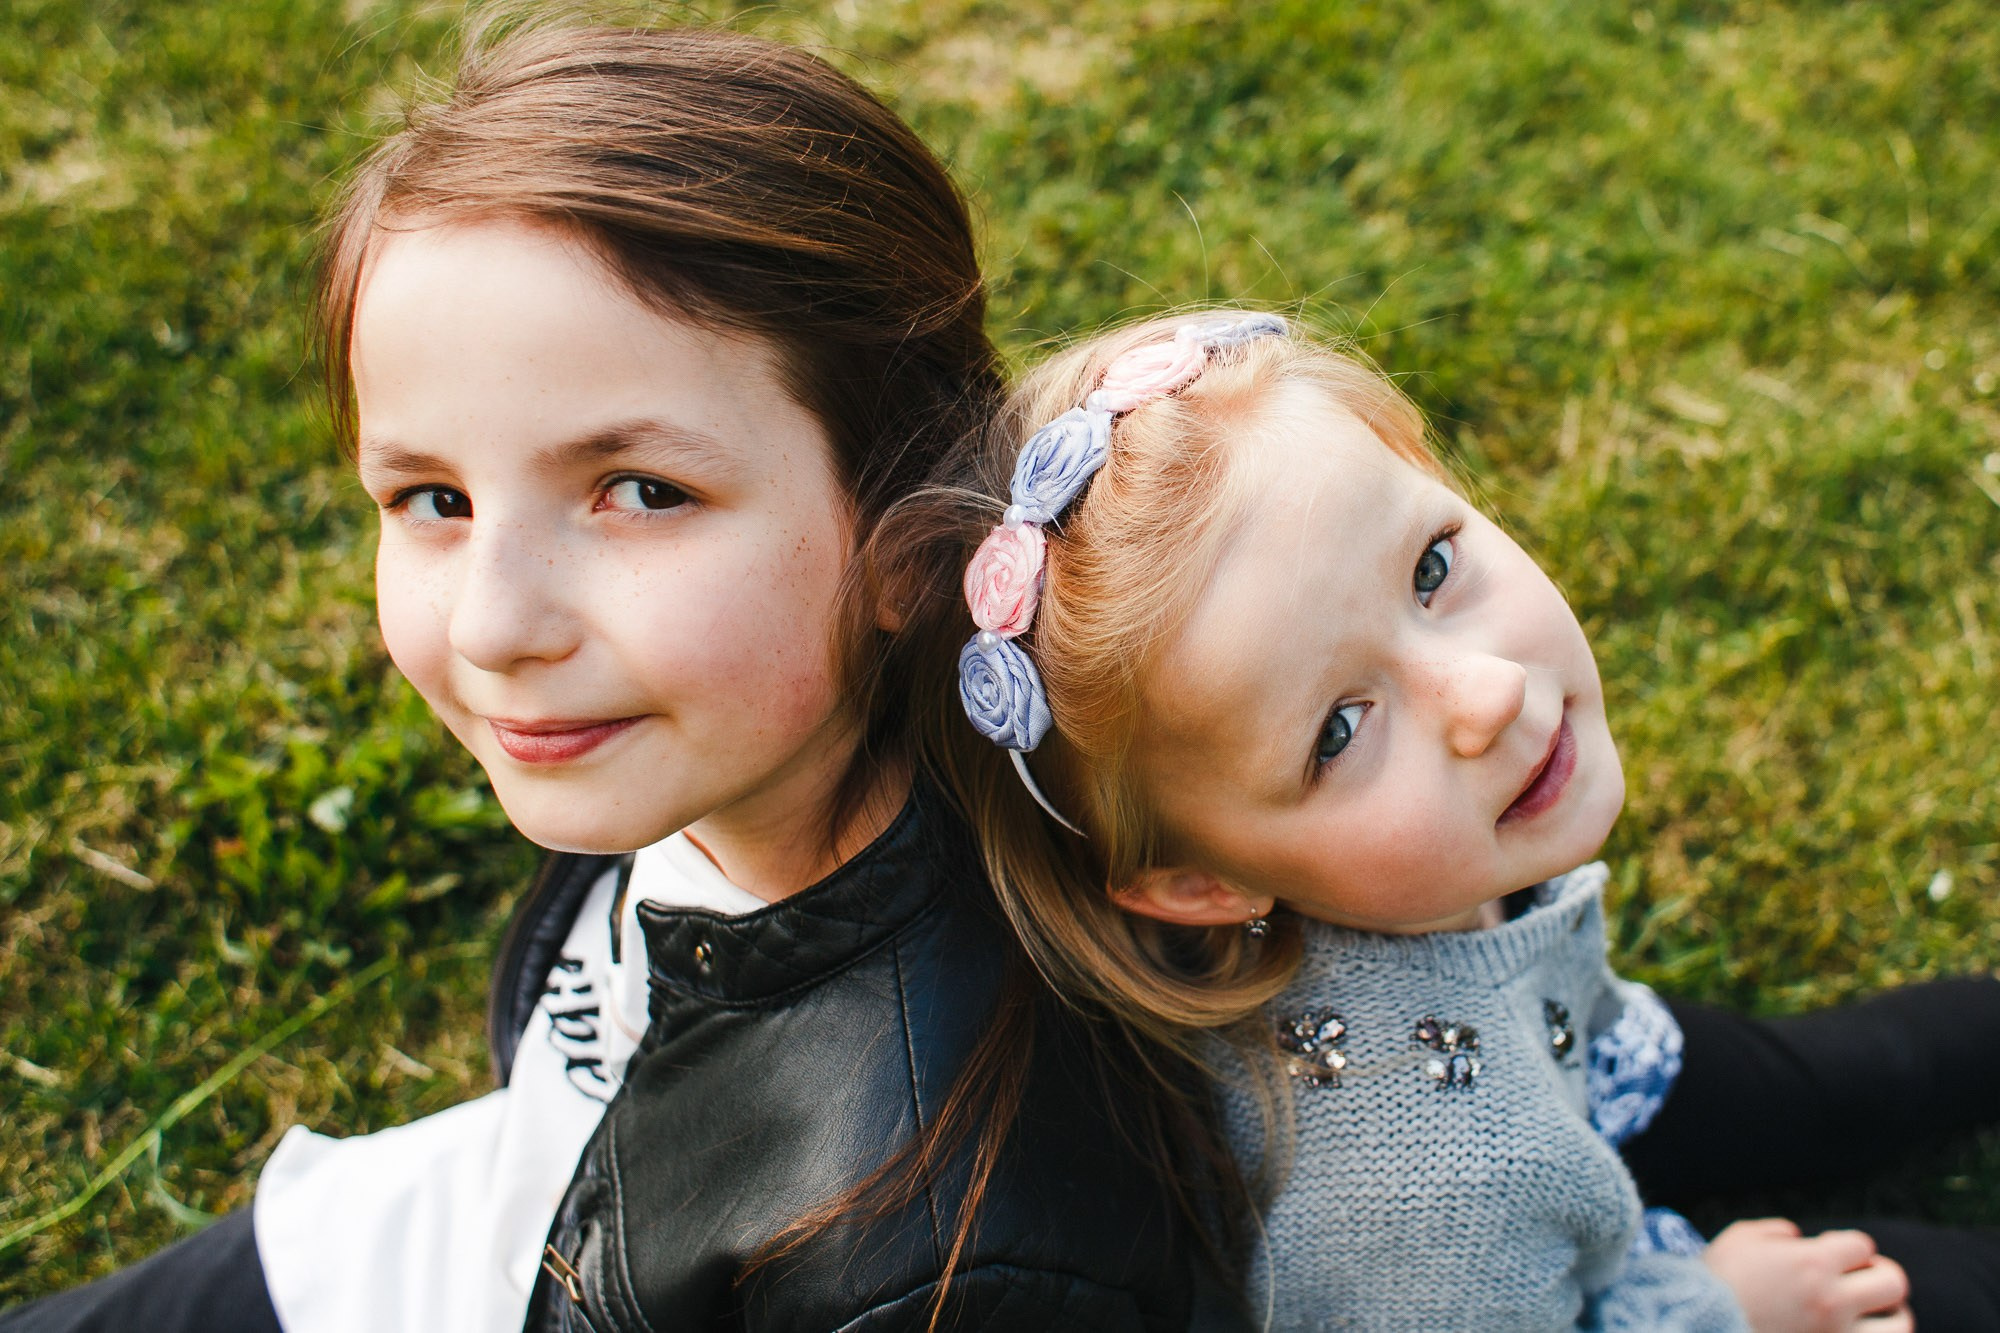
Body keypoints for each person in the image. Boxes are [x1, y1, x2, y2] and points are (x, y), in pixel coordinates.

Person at [0, 23, 1244, 1333]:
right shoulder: (716, 751)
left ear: (913, 529)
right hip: (470, 1230)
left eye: (641, 493)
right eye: (432, 497)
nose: (492, 625)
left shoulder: (939, 1263)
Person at [918, 307, 2000, 1330]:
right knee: (1935, 1284)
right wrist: (1719, 1306)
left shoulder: (1428, 862)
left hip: (1569, 1050)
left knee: (1886, 1065)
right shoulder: (1424, 1201)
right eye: (1337, 732)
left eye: (1430, 568)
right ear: (1204, 885)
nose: (1481, 695)